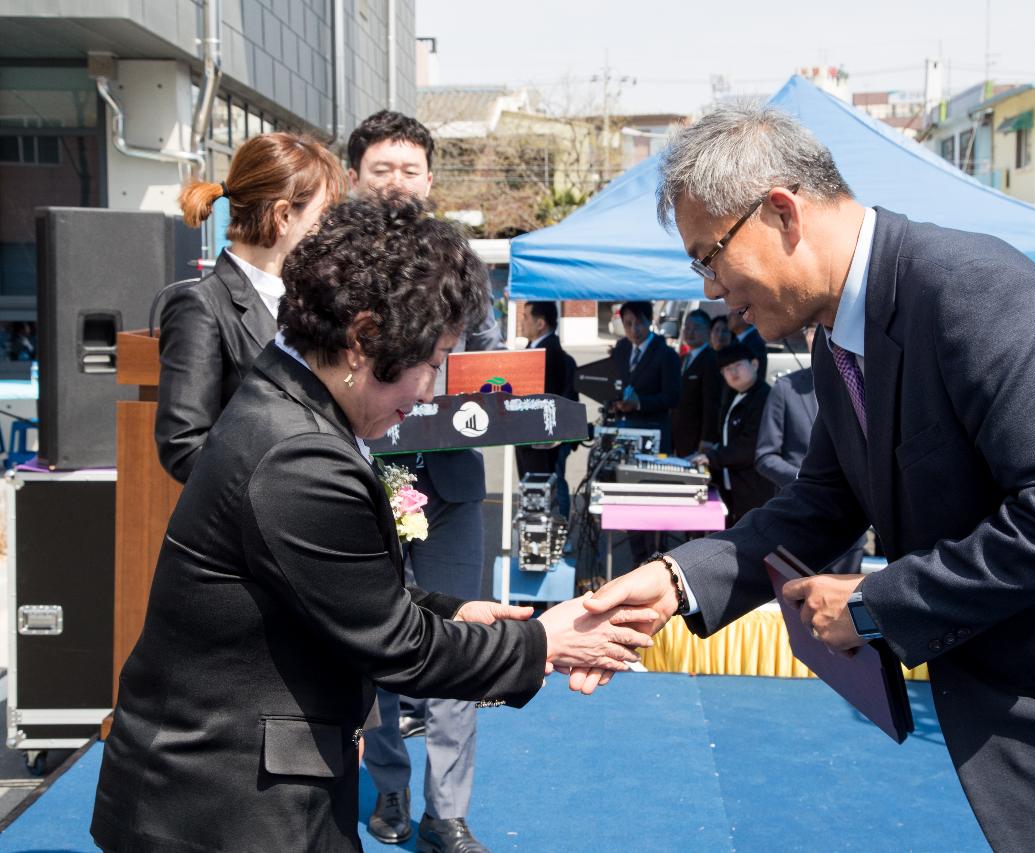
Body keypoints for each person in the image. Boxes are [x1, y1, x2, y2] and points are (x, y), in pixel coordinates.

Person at [582, 105, 1035, 852]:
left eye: (709, 256)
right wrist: (676, 579)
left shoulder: (967, 289)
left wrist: (876, 604)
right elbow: (824, 502)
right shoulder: (838, 339)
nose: (711, 289)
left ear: (782, 211)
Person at [91, 197, 653, 853]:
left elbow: (337, 583)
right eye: (433, 359)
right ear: (362, 337)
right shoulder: (298, 451)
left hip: (232, 787)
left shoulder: (292, 399)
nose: (431, 390)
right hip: (220, 806)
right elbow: (398, 646)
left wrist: (456, 609)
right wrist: (545, 643)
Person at [345, 109, 502, 852]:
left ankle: (449, 811)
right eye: (383, 169)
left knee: (459, 635)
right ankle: (390, 787)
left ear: (431, 179)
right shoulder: (335, 260)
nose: (398, 182)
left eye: (411, 170)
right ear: (355, 178)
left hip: (451, 484)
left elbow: (496, 364)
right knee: (374, 640)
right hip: (364, 478)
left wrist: (483, 391)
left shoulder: (461, 260)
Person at [156, 132, 344, 483]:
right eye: (319, 221)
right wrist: (283, 491)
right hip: (255, 521)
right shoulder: (201, 306)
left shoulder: (312, 296)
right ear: (283, 216)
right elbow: (183, 446)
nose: (324, 233)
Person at [754, 325, 863, 572]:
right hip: (800, 518)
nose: (817, 335)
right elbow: (765, 455)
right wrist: (806, 480)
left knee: (845, 607)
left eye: (822, 329)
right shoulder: (785, 388)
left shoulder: (855, 382)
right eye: (811, 330)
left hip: (850, 524)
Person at [690, 342, 775, 525]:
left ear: (754, 364)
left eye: (738, 365)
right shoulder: (733, 394)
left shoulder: (765, 397)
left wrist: (712, 457)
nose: (733, 372)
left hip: (756, 488)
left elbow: (749, 446)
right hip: (733, 487)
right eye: (727, 369)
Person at [515, 300, 577, 517]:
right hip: (529, 437)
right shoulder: (535, 349)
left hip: (543, 439)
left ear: (540, 323)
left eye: (525, 317)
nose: (521, 322)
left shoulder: (549, 352)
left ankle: (554, 535)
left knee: (546, 486)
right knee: (534, 487)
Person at [608, 300, 681, 453]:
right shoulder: (621, 348)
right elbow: (614, 382)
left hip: (654, 432)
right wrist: (615, 402)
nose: (634, 329)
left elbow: (672, 397)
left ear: (650, 320)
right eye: (628, 324)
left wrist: (639, 403)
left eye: (639, 322)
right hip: (622, 429)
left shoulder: (666, 354)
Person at [670, 308, 721, 458]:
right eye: (687, 327)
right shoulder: (683, 359)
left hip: (697, 437)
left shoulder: (712, 360)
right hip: (677, 433)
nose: (690, 332)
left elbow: (712, 403)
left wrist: (707, 438)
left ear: (708, 331)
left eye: (696, 328)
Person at [726, 303, 768, 376]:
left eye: (732, 314)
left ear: (745, 316)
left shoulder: (755, 342)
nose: (728, 317)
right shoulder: (737, 340)